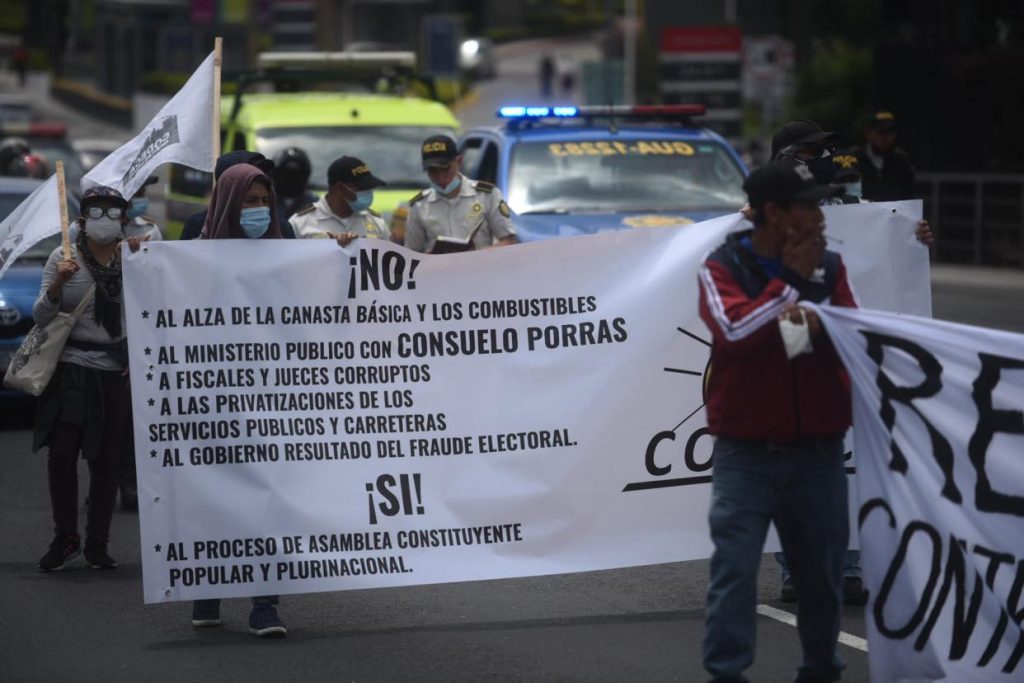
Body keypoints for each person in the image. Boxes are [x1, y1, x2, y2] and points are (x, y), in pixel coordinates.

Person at [699, 160, 856, 683]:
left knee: (821, 579)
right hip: (746, 454)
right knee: (735, 573)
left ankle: (820, 671)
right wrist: (789, 290)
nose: (820, 216)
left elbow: (850, 340)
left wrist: (809, 325)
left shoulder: (830, 268)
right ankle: (727, 674)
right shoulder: (721, 268)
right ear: (775, 213)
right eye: (809, 205)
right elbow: (735, 335)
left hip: (818, 451)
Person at [190, 163, 287, 638]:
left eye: (264, 202)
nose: (258, 211)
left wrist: (339, 257)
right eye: (248, 202)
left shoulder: (285, 253)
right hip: (213, 401)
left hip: (271, 400)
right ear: (228, 202)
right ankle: (207, 592)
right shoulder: (192, 258)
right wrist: (139, 257)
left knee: (269, 499)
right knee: (216, 499)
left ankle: (265, 605)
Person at [32, 186, 145, 572]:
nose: (105, 220)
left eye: (114, 213)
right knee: (62, 454)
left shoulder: (133, 258)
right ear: (82, 219)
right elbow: (41, 316)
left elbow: (149, 312)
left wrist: (137, 355)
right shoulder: (63, 257)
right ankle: (66, 537)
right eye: (97, 212)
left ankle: (98, 542)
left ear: (124, 220)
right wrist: (58, 285)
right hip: (72, 369)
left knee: (107, 460)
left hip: (114, 371)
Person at [404, 135, 517, 253]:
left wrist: (476, 254)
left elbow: (509, 241)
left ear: (458, 161)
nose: (441, 177)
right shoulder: (419, 205)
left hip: (479, 268)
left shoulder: (487, 195)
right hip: (439, 270)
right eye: (433, 171)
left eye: (446, 169)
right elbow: (411, 254)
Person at [179, 151, 289, 240]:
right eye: (251, 200)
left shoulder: (282, 229)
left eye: (266, 200)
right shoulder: (198, 226)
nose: (261, 207)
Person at [289, 155, 389, 244]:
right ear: (340, 188)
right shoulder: (300, 224)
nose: (368, 192)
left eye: (369, 187)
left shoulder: (377, 223)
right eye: (362, 188)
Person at [855, 110, 916, 202]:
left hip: (893, 212)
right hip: (863, 211)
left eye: (890, 131)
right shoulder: (855, 158)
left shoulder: (902, 160)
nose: (885, 136)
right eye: (881, 131)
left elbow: (908, 194)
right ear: (868, 133)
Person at [272, 147, 318, 222]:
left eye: (296, 174)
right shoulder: (264, 202)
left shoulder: (315, 205)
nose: (290, 178)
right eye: (285, 173)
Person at [124, 175, 163, 242]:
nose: (144, 198)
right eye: (138, 194)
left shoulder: (150, 231)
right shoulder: (107, 231)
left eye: (143, 193)